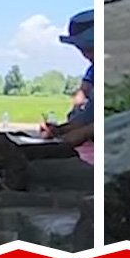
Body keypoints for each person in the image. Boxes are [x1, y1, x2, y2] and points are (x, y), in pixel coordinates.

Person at [42, 10, 94, 164]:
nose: (86, 56)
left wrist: (82, 133)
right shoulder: (93, 71)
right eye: (82, 50)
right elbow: (85, 108)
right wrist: (61, 129)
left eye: (89, 49)